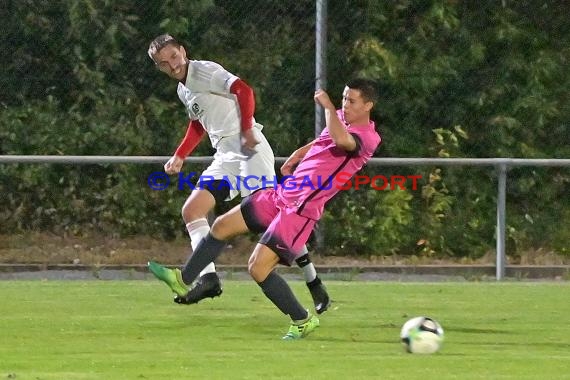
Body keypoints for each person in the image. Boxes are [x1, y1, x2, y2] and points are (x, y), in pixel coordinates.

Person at [149, 78, 381, 339]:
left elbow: (340, 140)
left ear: (368, 105)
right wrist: (297, 154)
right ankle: (183, 279)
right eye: (342, 98)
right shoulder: (340, 118)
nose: (344, 105)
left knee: (257, 268)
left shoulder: (368, 138)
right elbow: (326, 138)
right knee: (221, 226)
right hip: (283, 195)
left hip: (300, 211)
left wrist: (327, 107)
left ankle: (302, 320)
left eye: (351, 101)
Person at [147, 34, 329, 311]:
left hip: (248, 148)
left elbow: (243, 90)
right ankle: (207, 279)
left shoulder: (205, 71)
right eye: (163, 63)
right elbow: (198, 124)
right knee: (192, 210)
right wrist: (180, 155)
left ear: (183, 51)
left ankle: (314, 283)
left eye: (173, 56)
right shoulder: (183, 89)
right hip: (225, 154)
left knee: (272, 220)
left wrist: (246, 129)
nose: (172, 65)